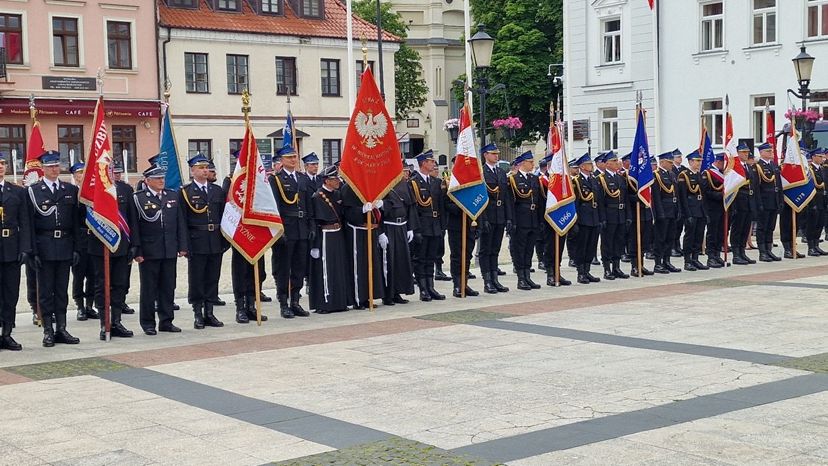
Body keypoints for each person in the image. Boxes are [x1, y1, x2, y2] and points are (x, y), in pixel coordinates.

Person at [28, 151, 82, 347]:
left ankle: (62, 328)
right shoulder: (33, 191)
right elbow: (29, 224)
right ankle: (48, 330)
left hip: (65, 245)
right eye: (50, 166)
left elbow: (76, 222)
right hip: (44, 246)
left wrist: (77, 248)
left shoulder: (70, 190)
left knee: (61, 291)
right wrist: (32, 251)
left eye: (57, 166)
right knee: (45, 292)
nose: (54, 169)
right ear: (43, 168)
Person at [133, 165, 188, 335]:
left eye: (162, 178)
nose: (161, 181)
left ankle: (166, 321)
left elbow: (180, 222)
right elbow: (135, 227)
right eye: (157, 178)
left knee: (168, 287)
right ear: (147, 181)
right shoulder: (139, 198)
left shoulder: (172, 195)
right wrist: (137, 251)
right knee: (149, 289)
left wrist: (182, 245)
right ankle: (148, 323)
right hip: (149, 250)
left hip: (169, 248)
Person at [87, 161, 136, 340]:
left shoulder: (125, 189)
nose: (109, 172)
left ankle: (116, 321)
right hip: (99, 246)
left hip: (121, 245)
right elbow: (81, 220)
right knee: (102, 285)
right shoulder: (91, 190)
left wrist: (134, 244)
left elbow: (132, 218)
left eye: (111, 169)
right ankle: (104, 323)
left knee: (120, 284)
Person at [180, 153, 225, 329]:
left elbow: (223, 216)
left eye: (206, 168)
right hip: (197, 241)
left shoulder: (217, 190)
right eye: (201, 168)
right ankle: (198, 313)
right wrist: (184, 245)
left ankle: (210, 312)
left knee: (213, 277)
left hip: (215, 240)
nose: (205, 171)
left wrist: (224, 241)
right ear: (192, 171)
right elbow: (182, 221)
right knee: (197, 278)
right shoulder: (185, 192)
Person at [270, 145, 315, 318]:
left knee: (299, 267)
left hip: (302, 228)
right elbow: (275, 206)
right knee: (284, 267)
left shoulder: (302, 179)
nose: (293, 160)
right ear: (281, 160)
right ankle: (283, 303)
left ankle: (295, 301)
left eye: (295, 157)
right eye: (289, 157)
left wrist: (311, 226)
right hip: (286, 229)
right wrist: (279, 230)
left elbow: (309, 204)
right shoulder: (276, 180)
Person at [309, 165, 351, 313]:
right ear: (327, 181)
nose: (338, 181)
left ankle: (340, 302)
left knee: (339, 268)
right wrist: (315, 245)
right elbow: (314, 221)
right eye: (334, 179)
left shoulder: (338, 194)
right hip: (325, 235)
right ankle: (325, 304)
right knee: (326, 269)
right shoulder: (318, 196)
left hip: (338, 234)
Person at [0, 154, 30, 351]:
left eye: (3, 163)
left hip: (11, 248)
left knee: (11, 293)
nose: (1, 167)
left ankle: (7, 332)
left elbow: (25, 222)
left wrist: (25, 248)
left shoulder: (17, 192)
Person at [410, 149, 446, 301]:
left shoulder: (436, 182)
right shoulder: (414, 183)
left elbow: (441, 206)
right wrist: (415, 229)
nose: (433, 164)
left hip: (435, 225)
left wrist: (442, 226)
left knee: (431, 257)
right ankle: (423, 289)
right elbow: (413, 209)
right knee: (421, 258)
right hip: (422, 225)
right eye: (431, 161)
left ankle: (431, 287)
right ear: (423, 163)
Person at [479, 144, 512, 293]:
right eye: (493, 153)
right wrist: (483, 218)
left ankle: (495, 279)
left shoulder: (501, 172)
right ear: (485, 155)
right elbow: (480, 198)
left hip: (500, 216)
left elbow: (506, 197)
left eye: (497, 153)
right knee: (485, 249)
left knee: (495, 249)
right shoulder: (482, 173)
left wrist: (509, 217)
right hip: (488, 215)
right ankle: (487, 281)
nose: (496, 156)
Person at [380, 172, 417, 305]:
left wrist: (410, 227)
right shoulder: (381, 184)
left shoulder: (403, 184)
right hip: (388, 227)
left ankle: (397, 292)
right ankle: (388, 294)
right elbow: (378, 211)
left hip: (402, 226)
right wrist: (380, 232)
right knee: (389, 262)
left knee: (401, 261)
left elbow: (410, 206)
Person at [509, 151, 543, 290]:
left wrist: (540, 220)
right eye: (530, 162)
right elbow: (511, 202)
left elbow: (538, 201)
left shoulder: (534, 179)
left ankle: (527, 276)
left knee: (529, 249)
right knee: (520, 249)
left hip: (533, 219)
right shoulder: (513, 179)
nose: (533, 164)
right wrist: (512, 221)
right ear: (523, 163)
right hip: (521, 219)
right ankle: (521, 278)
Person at [69, 162, 98, 322]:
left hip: (94, 237)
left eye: (84, 172)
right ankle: (80, 306)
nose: (82, 176)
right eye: (79, 173)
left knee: (93, 274)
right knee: (79, 275)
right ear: (75, 176)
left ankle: (89, 305)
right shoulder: (73, 193)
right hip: (80, 238)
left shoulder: (94, 192)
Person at [596, 151, 630, 280]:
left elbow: (625, 199)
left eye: (617, 161)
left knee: (619, 242)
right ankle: (607, 269)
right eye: (614, 161)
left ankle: (616, 267)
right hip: (609, 215)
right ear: (607, 164)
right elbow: (600, 201)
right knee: (607, 243)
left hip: (621, 214)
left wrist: (628, 216)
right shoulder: (601, 179)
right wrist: (602, 218)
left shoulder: (620, 178)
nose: (617, 163)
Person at [571, 153, 601, 284]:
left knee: (591, 246)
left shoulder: (594, 180)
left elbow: (599, 201)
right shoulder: (576, 181)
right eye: (589, 164)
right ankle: (581, 272)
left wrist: (601, 218)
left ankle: (587, 270)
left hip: (594, 218)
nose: (591, 166)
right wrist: (575, 222)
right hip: (583, 218)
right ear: (582, 166)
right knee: (581, 246)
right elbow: (575, 203)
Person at [677, 151, 709, 271]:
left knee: (699, 235)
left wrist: (705, 212)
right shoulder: (684, 175)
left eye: (700, 161)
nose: (699, 163)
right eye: (697, 161)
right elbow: (683, 197)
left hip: (700, 209)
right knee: (689, 236)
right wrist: (687, 214)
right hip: (690, 209)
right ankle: (687, 260)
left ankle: (695, 258)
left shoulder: (699, 175)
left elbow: (703, 194)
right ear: (690, 162)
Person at [730, 143, 761, 265]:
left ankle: (742, 252)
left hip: (749, 202)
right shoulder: (734, 168)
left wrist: (756, 203)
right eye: (743, 152)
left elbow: (754, 186)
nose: (746, 154)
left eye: (747, 152)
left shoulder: (749, 167)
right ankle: (736, 254)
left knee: (745, 228)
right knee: (737, 229)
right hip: (739, 202)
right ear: (737, 153)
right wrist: (733, 206)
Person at [652, 151, 681, 274]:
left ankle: (667, 261)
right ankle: (658, 263)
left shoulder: (672, 174)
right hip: (663, 210)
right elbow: (656, 197)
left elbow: (676, 194)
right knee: (660, 238)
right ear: (662, 162)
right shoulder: (656, 175)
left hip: (672, 210)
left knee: (670, 237)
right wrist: (660, 213)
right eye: (669, 162)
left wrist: (678, 209)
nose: (671, 164)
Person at [755, 142, 782, 262]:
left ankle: (769, 250)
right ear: (761, 153)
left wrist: (780, 200)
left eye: (771, 151)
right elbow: (756, 187)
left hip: (774, 201)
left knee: (770, 227)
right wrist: (759, 203)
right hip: (764, 201)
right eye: (768, 151)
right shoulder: (758, 167)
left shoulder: (773, 165)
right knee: (762, 227)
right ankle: (762, 252)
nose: (771, 153)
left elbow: (779, 185)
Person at [702, 153, 726, 268]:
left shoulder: (724, 173)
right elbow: (706, 192)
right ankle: (711, 257)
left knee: (720, 232)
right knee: (712, 232)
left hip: (722, 207)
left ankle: (717, 255)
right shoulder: (707, 173)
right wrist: (720, 195)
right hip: (712, 208)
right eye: (724, 163)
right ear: (718, 162)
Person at [806, 148, 827, 256]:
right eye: (820, 156)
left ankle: (816, 245)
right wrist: (812, 203)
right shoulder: (810, 170)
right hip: (813, 200)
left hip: (822, 200)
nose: (822, 158)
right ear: (813, 157)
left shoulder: (821, 169)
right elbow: (809, 187)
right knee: (812, 225)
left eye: (823, 156)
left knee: (820, 224)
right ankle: (811, 247)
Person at [671, 149, 687, 257]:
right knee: (674, 226)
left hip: (682, 198)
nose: (680, 158)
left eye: (680, 157)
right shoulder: (671, 170)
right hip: (675, 199)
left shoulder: (684, 169)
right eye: (678, 157)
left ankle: (677, 245)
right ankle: (672, 246)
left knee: (680, 225)